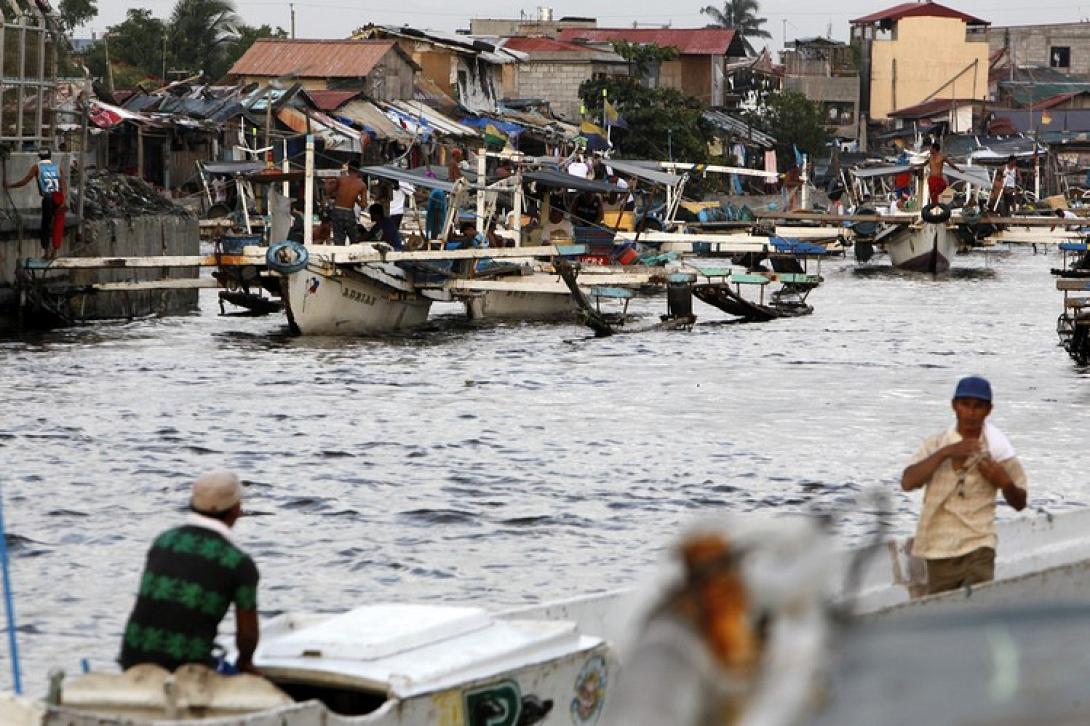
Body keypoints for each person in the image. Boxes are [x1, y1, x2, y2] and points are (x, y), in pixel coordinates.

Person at [119, 471, 260, 674]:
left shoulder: (164, 541)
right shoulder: (239, 563)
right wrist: (245, 664)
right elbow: (247, 636)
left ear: (192, 503)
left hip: (132, 660)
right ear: (236, 509)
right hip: (189, 669)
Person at [900, 377, 1027, 596]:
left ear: (988, 410)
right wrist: (946, 453)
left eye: (978, 406)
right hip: (937, 547)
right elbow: (908, 482)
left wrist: (1004, 482)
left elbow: (1020, 502)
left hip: (978, 545)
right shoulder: (936, 444)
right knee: (943, 618)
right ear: (954, 406)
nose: (971, 412)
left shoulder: (997, 451)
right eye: (965, 404)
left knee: (975, 607)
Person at [5, 148, 66, 259]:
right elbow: (63, 185)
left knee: (45, 225)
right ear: (50, 156)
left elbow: (24, 181)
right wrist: (63, 201)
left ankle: (46, 252)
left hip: (47, 199)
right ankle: (54, 252)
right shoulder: (58, 168)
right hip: (58, 198)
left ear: (39, 157)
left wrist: (10, 186)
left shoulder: (37, 167)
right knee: (58, 225)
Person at [326, 168, 366, 245]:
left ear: (348, 170)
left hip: (337, 211)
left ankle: (339, 256)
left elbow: (328, 191)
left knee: (338, 239)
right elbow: (363, 205)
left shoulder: (340, 180)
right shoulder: (362, 185)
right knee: (354, 239)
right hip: (349, 212)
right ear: (358, 171)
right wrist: (356, 199)